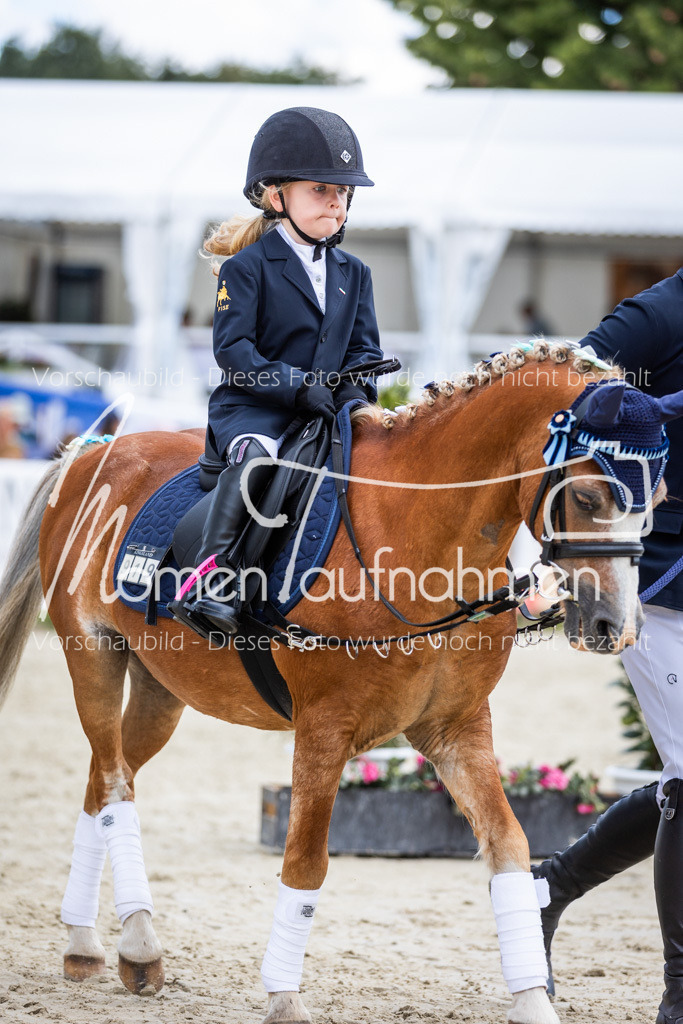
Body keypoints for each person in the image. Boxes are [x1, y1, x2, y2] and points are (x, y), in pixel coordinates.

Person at [530, 268, 683, 1024]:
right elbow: (568, 386)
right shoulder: (658, 313)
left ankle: (550, 885)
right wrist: (645, 412)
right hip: (651, 570)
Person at [168, 106, 382, 637]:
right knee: (261, 463)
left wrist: (356, 397)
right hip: (254, 409)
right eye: (321, 189)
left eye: (344, 193)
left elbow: (363, 350)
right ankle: (209, 578)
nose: (336, 201)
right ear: (275, 195)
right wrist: (297, 388)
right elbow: (234, 353)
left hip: (327, 411)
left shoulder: (355, 273)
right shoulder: (246, 269)